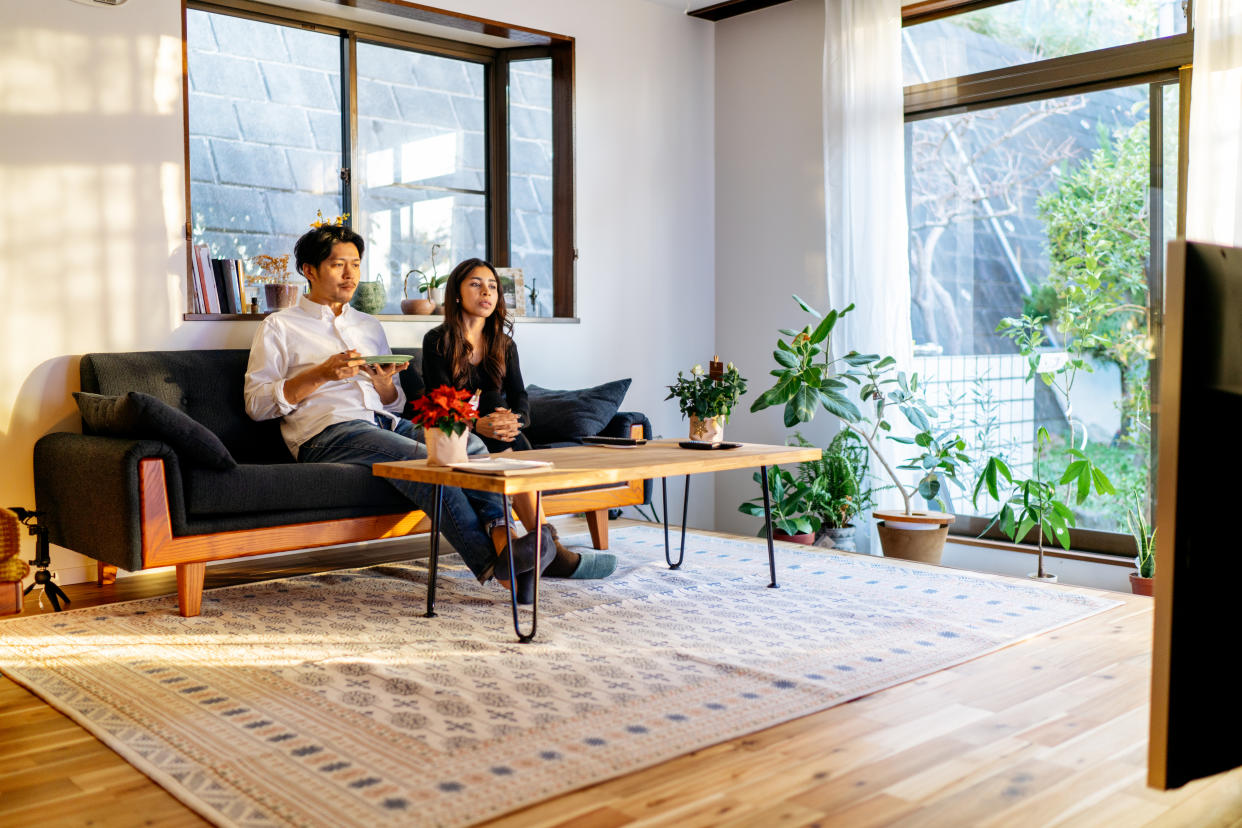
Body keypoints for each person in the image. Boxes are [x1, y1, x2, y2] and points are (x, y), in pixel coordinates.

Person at [243, 225, 553, 601]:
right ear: (309, 270)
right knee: (429, 462)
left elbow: (391, 404)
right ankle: (502, 564)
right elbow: (256, 405)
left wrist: (386, 387)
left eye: (355, 264)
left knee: (468, 445)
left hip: (381, 423)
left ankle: (508, 542)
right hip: (326, 434)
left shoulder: (368, 325)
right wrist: (320, 374)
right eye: (338, 264)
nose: (349, 275)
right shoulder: (279, 326)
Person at [421, 258, 616, 580]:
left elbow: (520, 395)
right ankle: (551, 548)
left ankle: (543, 545)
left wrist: (517, 421)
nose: (486, 292)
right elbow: (438, 402)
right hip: (461, 434)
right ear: (456, 293)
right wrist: (474, 424)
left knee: (514, 443)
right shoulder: (437, 341)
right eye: (475, 284)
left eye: (493, 286)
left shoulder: (503, 342)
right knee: (510, 452)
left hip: (505, 429)